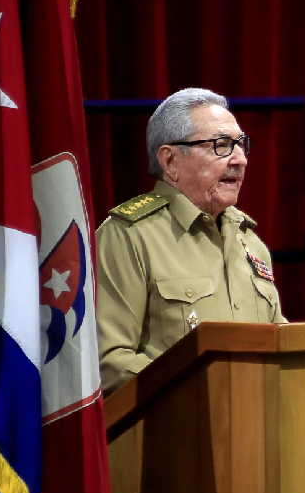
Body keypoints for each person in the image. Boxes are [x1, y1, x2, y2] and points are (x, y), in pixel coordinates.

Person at [96, 87, 285, 392]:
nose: (240, 160)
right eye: (221, 145)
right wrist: (214, 386)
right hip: (172, 429)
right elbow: (110, 361)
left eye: (241, 144)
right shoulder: (128, 236)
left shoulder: (249, 240)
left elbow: (278, 339)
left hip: (256, 425)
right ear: (170, 161)